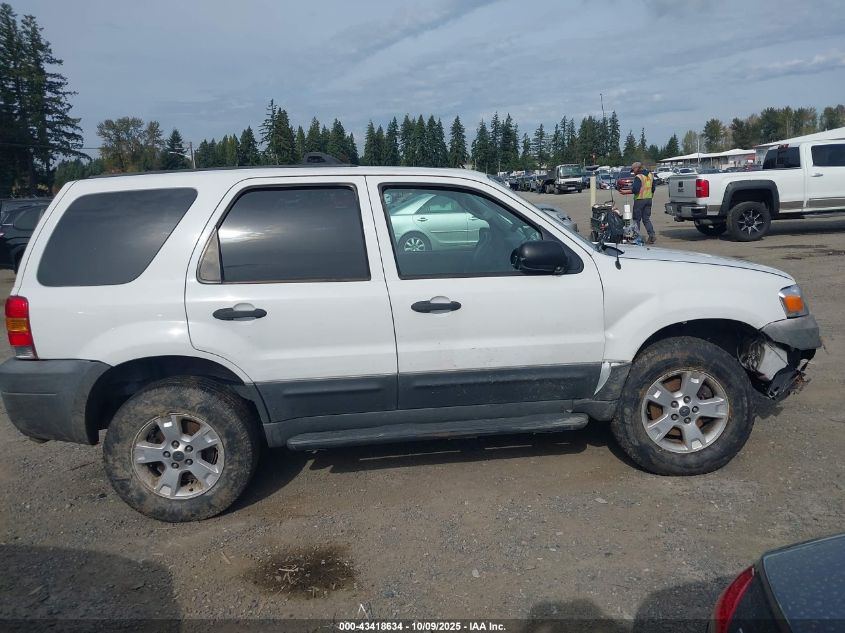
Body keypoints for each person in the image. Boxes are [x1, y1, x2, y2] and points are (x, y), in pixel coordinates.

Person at [630, 161, 656, 244]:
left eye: (633, 170)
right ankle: (652, 235)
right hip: (649, 199)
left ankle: (636, 237)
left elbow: (635, 190)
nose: (633, 172)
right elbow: (653, 188)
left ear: (637, 168)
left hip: (639, 200)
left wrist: (631, 189)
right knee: (646, 219)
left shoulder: (639, 177)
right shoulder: (650, 175)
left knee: (636, 219)